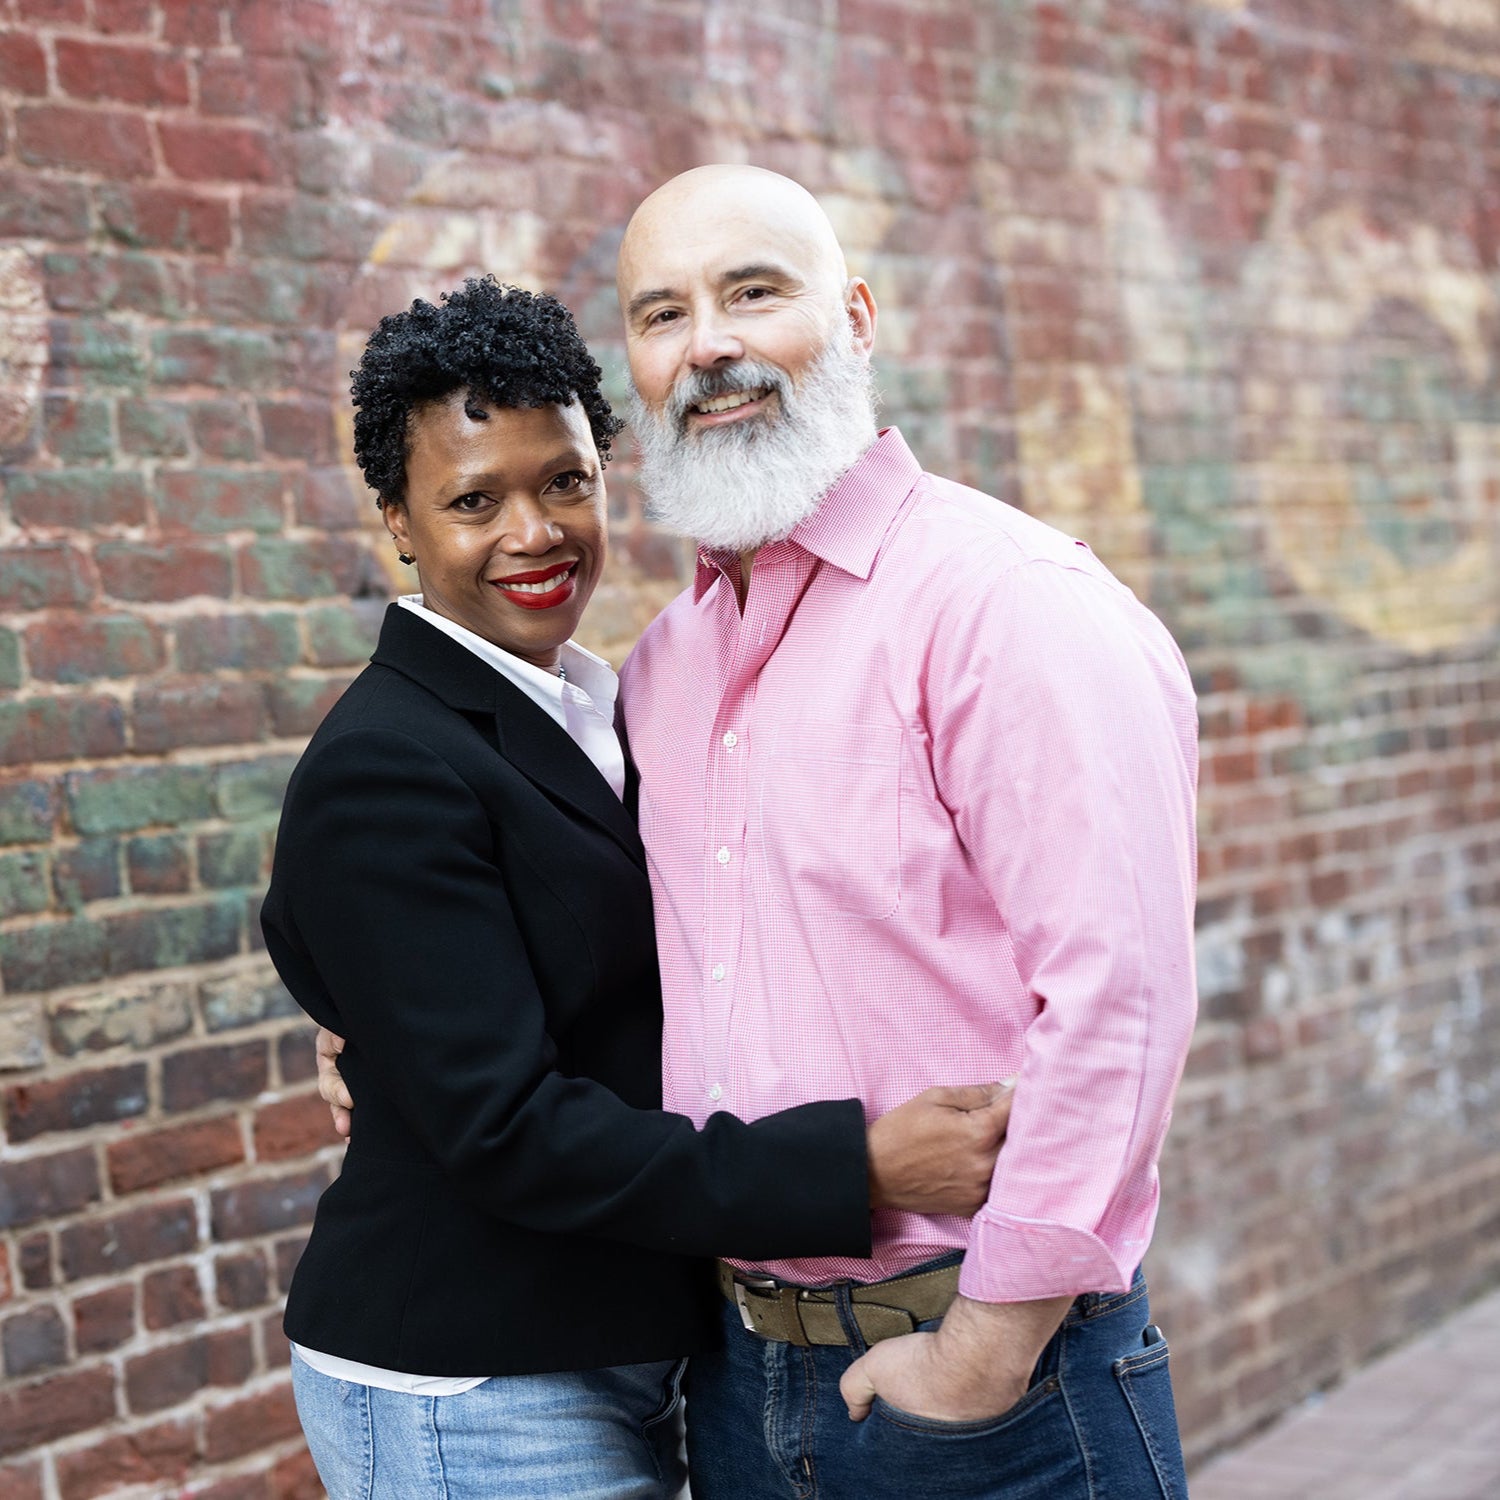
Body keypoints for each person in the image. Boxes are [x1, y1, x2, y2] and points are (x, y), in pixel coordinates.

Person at [262, 275, 1015, 1500]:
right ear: (397, 519)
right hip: (475, 1372)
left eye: (564, 481)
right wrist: (862, 1170)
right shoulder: (386, 764)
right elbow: (505, 1129)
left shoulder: (605, 704)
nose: (534, 533)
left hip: (615, 1336)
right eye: (473, 500)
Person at [611, 165, 1200, 1499]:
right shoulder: (661, 670)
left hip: (997, 1391)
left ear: (858, 319)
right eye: (664, 314)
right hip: (739, 1383)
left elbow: (1120, 995)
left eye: (753, 292)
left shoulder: (1007, 602)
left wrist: (984, 1354)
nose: (710, 346)